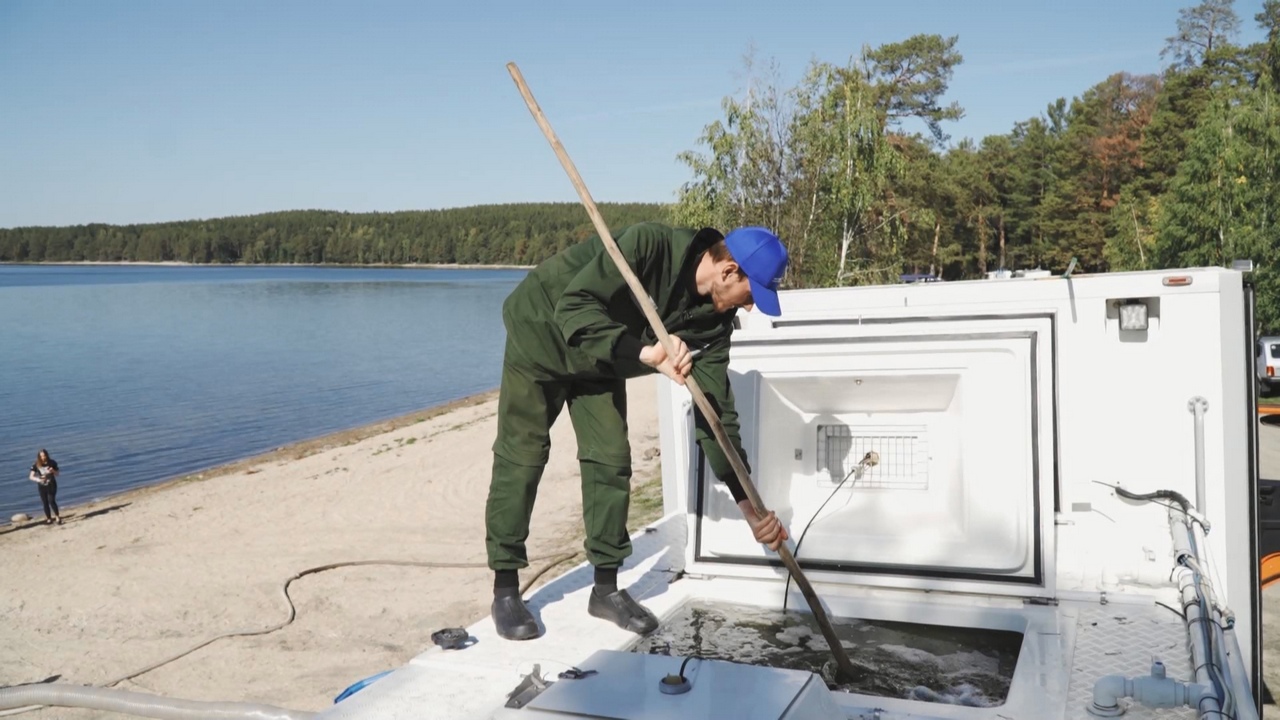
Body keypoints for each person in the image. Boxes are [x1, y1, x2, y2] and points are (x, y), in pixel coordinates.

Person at [484, 221, 792, 641]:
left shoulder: (715, 325)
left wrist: (749, 507)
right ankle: (505, 589)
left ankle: (605, 591)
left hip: (603, 357)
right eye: (753, 295)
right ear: (729, 272)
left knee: (611, 459)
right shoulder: (649, 245)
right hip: (542, 331)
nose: (752, 307)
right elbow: (573, 307)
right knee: (524, 455)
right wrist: (648, 353)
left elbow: (716, 416)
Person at [29, 448, 61, 525]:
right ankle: (49, 518)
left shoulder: (52, 462)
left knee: (51, 500)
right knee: (45, 502)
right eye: (41, 456)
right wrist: (38, 479)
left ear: (47, 455)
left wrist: (53, 471)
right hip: (42, 485)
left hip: (51, 484)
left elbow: (57, 474)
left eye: (44, 455)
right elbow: (31, 476)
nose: (43, 457)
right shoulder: (36, 464)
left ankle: (57, 517)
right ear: (39, 457)